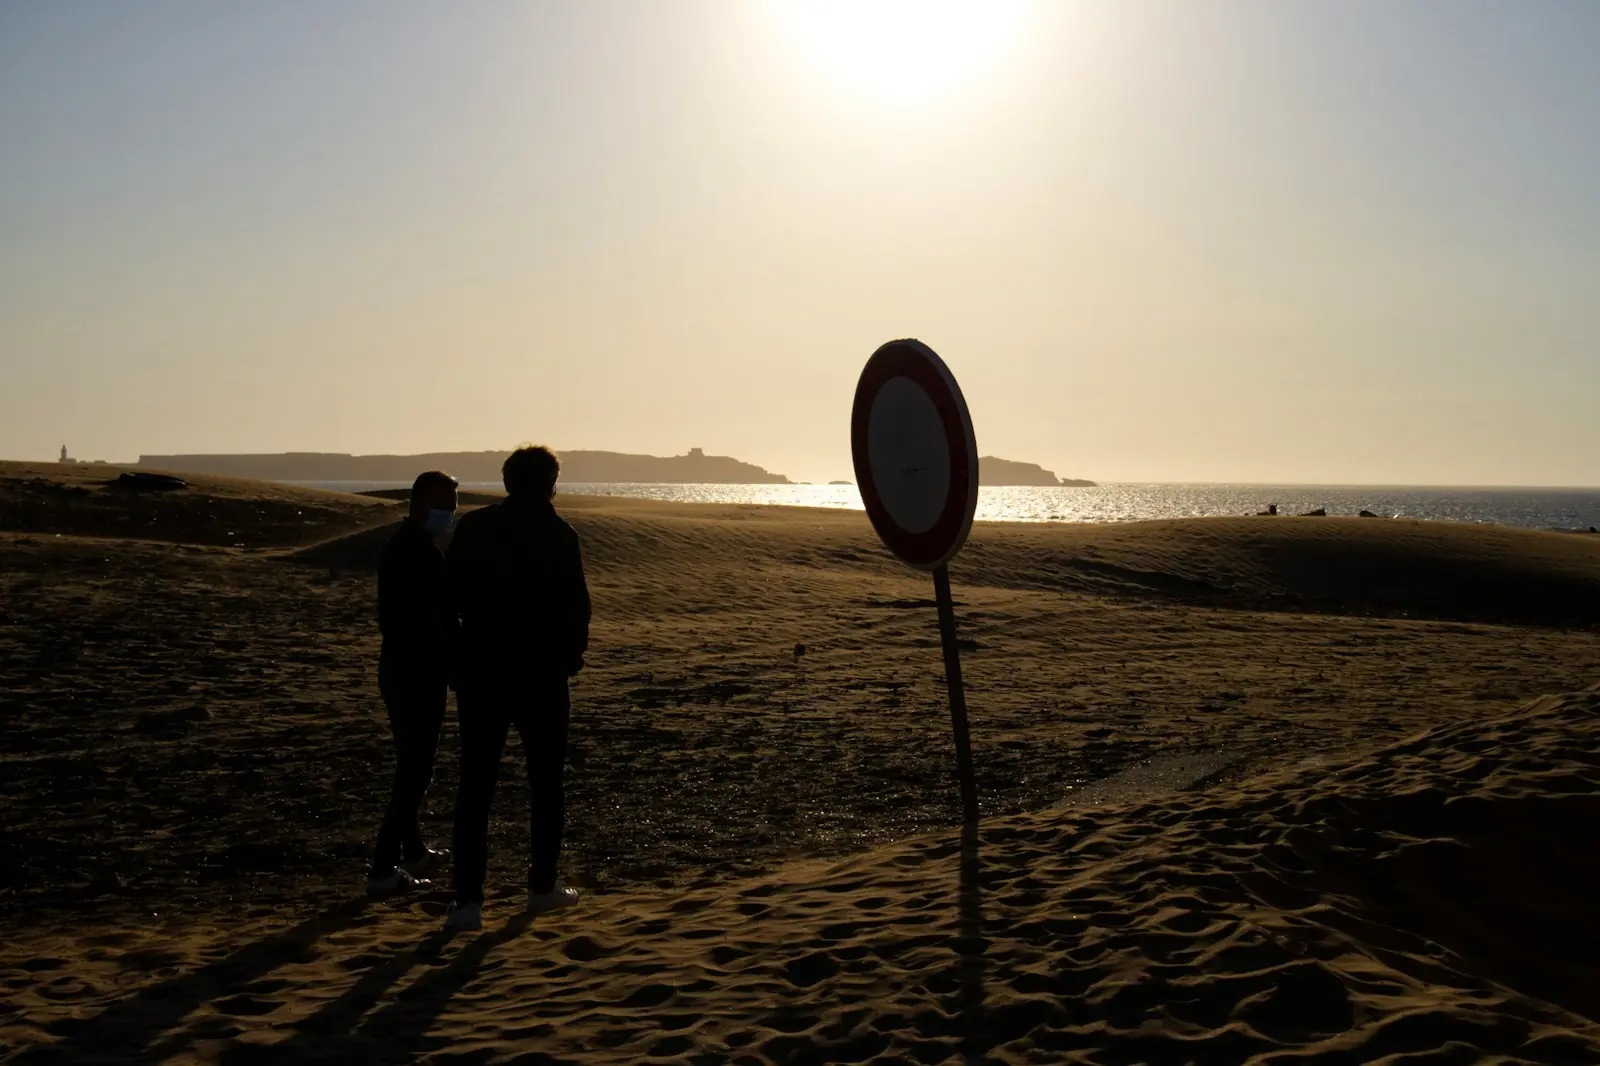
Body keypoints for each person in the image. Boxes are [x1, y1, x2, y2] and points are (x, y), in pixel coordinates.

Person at [441, 445, 590, 930]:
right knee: (546, 784)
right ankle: (541, 886)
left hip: (481, 674)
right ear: (550, 485)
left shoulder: (475, 527)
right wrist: (569, 659)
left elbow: (448, 601)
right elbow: (576, 608)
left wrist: (457, 662)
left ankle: (468, 900)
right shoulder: (558, 534)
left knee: (476, 786)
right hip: (541, 677)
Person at [366, 470, 459, 896]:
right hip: (416, 671)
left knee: (412, 763)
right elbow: (433, 620)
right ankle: (383, 868)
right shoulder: (417, 553)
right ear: (420, 504)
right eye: (445, 506)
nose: (450, 514)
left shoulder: (405, 547)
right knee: (416, 771)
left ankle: (415, 851)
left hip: (404, 668)